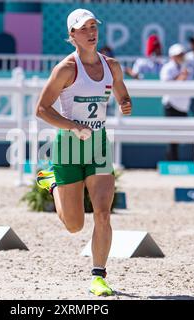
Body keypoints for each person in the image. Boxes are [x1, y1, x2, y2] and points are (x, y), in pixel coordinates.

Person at [35, 8, 131, 296]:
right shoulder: (66, 69)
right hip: (68, 147)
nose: (91, 32)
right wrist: (73, 126)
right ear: (72, 35)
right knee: (75, 225)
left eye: (94, 26)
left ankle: (98, 276)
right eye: (84, 28)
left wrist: (125, 102)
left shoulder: (111, 66)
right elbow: (41, 110)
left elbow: (121, 93)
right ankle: (51, 182)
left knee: (103, 213)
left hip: (99, 144)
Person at [160, 43, 191, 161]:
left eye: (182, 54)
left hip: (182, 106)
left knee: (179, 137)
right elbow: (167, 85)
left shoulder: (185, 67)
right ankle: (171, 161)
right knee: (172, 137)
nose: (181, 56)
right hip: (171, 105)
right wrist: (181, 77)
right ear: (172, 56)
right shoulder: (168, 68)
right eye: (179, 54)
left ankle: (174, 160)